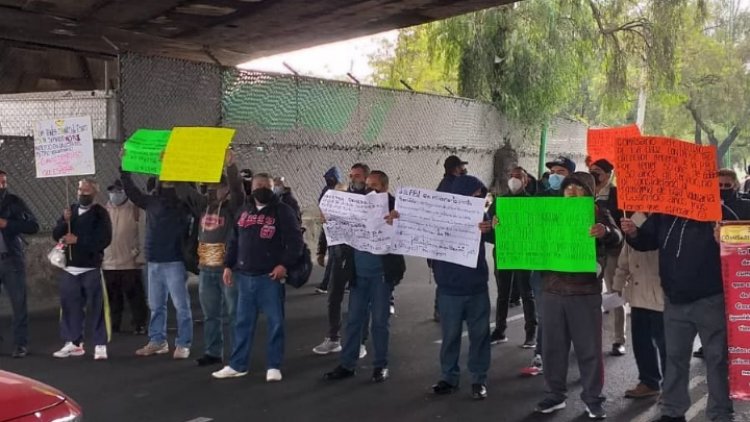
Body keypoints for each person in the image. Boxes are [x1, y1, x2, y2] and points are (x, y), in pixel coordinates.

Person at [621, 169, 750, 422]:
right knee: (675, 358)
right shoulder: (667, 211)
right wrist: (634, 233)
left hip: (711, 299)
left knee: (716, 359)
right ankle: (672, 411)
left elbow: (744, 243)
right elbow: (648, 241)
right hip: (674, 300)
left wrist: (725, 239)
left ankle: (720, 413)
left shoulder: (730, 210)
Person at [534, 172, 622, 419]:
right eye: (568, 186)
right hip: (552, 291)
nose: (572, 190)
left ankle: (593, 399)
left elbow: (617, 239)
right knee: (552, 348)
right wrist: (502, 225)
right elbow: (525, 234)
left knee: (589, 349)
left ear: (589, 191)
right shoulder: (549, 213)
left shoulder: (597, 213)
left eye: (579, 186)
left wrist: (604, 231)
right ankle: (555, 394)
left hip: (584, 293)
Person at [211, 173, 303, 381]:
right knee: (242, 322)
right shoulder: (244, 211)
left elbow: (295, 242)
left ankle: (273, 366)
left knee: (275, 322)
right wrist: (228, 265)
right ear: (251, 188)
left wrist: (284, 264)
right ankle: (237, 364)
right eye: (258, 185)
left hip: (269, 278)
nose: (262, 188)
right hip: (245, 277)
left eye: (266, 185)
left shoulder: (283, 211)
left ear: (273, 188)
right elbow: (234, 240)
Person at [324, 170, 406, 383]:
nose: (369, 190)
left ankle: (380, 365)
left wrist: (397, 221)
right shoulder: (357, 205)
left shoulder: (396, 207)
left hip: (381, 275)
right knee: (353, 320)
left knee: (379, 322)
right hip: (359, 274)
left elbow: (407, 235)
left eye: (375, 186)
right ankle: (347, 364)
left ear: (385, 187)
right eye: (367, 185)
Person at [177, 152, 244, 367]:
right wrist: (172, 166)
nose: (212, 190)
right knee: (210, 314)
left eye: (216, 187)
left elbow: (237, 190)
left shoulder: (233, 207)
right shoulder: (203, 205)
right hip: (206, 267)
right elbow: (184, 191)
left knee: (234, 313)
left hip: (227, 268)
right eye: (209, 187)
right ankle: (213, 351)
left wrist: (231, 166)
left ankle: (237, 353)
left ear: (224, 188)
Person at [431, 175, 493, 400]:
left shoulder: (481, 214)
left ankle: (479, 379)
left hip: (476, 287)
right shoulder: (437, 217)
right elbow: (415, 229)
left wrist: (490, 229)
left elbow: (495, 236)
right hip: (449, 287)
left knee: (480, 336)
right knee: (450, 336)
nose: (479, 200)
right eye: (475, 195)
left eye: (480, 196)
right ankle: (448, 377)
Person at [121, 167, 193, 360]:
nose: (166, 181)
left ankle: (183, 343)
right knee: (155, 304)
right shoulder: (152, 201)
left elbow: (191, 195)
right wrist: (124, 169)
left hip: (174, 260)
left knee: (181, 305)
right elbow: (133, 193)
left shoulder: (183, 203)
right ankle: (157, 341)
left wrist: (178, 176)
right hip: (153, 261)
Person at [520, 156, 576, 377]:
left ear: (570, 175)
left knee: (566, 316)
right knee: (545, 314)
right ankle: (541, 354)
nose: (554, 175)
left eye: (560, 171)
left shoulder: (578, 200)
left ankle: (564, 353)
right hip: (542, 268)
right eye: (552, 171)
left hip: (568, 269)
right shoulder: (539, 198)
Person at [312, 163, 371, 357]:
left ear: (367, 178)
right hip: (339, 255)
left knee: (360, 301)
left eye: (359, 175)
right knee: (333, 298)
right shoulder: (340, 198)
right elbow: (328, 226)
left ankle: (360, 342)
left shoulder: (373, 200)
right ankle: (333, 338)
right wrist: (321, 250)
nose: (355, 178)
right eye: (352, 175)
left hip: (361, 258)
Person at [52, 179, 113, 360]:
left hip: (90, 268)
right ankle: (73, 342)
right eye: (80, 190)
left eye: (87, 191)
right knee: (70, 307)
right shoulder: (70, 211)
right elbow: (56, 234)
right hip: (70, 268)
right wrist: (64, 221)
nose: (82, 194)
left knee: (97, 307)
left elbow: (104, 240)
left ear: (95, 192)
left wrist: (79, 241)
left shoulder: (100, 214)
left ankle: (100, 344)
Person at [612, 212, 665, 399]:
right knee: (641, 342)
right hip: (637, 291)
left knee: (666, 344)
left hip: (661, 290)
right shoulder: (633, 218)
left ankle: (670, 387)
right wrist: (617, 283)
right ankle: (649, 381)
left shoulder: (667, 217)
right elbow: (625, 253)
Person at [490, 167, 536, 348]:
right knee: (503, 294)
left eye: (518, 177)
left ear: (526, 181)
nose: (514, 180)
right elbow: (488, 226)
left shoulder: (532, 203)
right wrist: (493, 225)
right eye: (511, 176)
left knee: (526, 293)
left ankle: (531, 334)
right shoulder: (500, 201)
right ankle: (499, 331)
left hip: (524, 253)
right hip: (504, 251)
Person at [0, 170, 39, 358]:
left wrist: (8, 224)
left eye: (4, 183)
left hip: (10, 261)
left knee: (18, 304)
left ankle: (20, 343)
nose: (1, 186)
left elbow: (33, 226)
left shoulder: (14, 202)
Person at [590, 158, 627, 356]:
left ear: (607, 174)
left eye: (597, 171)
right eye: (591, 170)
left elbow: (624, 222)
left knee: (614, 293)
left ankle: (618, 339)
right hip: (590, 253)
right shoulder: (583, 193)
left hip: (612, 251)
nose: (593, 174)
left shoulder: (616, 194)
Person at [102, 180, 148, 335]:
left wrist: (141, 256)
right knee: (112, 296)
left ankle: (139, 323)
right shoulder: (104, 210)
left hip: (130, 262)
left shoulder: (136, 210)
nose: (115, 194)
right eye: (112, 191)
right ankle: (114, 324)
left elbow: (142, 234)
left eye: (119, 191)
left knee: (135, 296)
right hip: (108, 263)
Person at [431, 155, 469, 322]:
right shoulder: (456, 185)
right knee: (452, 276)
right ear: (455, 169)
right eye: (461, 167)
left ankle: (440, 310)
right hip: (452, 239)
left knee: (444, 275)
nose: (464, 170)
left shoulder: (442, 185)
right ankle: (445, 310)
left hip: (441, 239)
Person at [315, 166, 344, 294]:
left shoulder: (342, 190)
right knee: (334, 258)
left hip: (340, 229)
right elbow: (322, 205)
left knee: (337, 258)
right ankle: (327, 284)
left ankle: (329, 284)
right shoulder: (328, 190)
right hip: (331, 226)